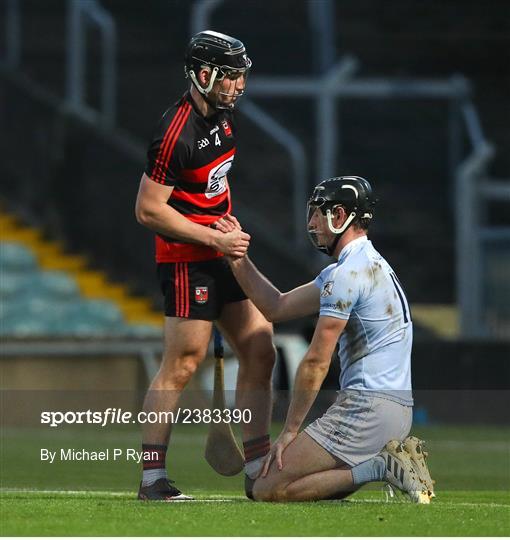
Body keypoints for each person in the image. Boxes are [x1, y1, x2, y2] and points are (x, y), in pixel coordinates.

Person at [223, 176, 435, 503]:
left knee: (265, 488)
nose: (311, 223)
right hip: (398, 410)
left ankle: (382, 467)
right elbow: (275, 306)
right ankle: (383, 463)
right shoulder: (366, 265)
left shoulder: (346, 275)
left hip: (366, 410)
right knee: (307, 486)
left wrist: (290, 430)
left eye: (317, 214)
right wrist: (236, 256)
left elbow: (316, 361)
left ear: (339, 215)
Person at [135, 30, 275, 501]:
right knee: (183, 363)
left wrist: (224, 228)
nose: (238, 85)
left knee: (260, 348)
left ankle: (258, 469)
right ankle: (153, 480)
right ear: (203, 74)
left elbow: (211, 187)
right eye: (230, 76)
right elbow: (149, 210)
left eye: (241, 76)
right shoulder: (175, 132)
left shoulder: (227, 117)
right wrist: (213, 236)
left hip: (222, 250)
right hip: (185, 260)